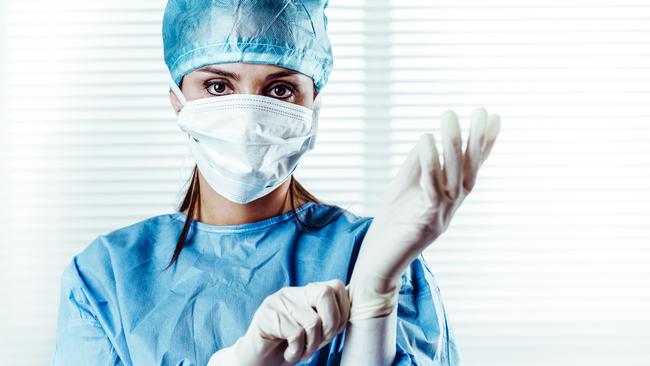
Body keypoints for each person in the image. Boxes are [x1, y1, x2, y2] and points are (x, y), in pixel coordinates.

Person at [49, 0, 500, 365]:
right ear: (177, 102)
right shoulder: (105, 279)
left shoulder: (378, 254)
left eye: (279, 89)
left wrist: (374, 306)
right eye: (218, 87)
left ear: (314, 104)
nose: (247, 118)